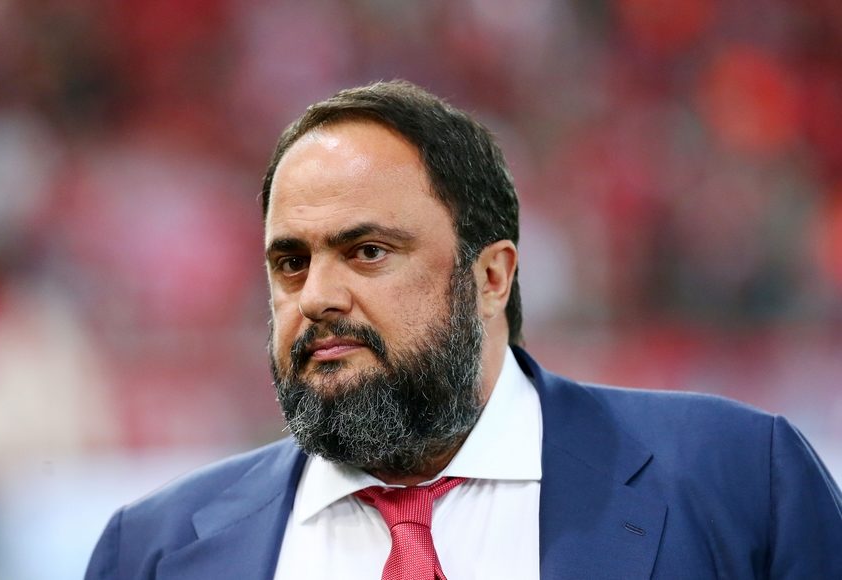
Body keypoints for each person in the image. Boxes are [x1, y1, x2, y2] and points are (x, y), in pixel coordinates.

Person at [85, 80, 842, 579]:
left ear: (491, 277)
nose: (315, 297)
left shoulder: (739, 482)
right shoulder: (152, 553)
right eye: (290, 263)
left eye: (367, 251)